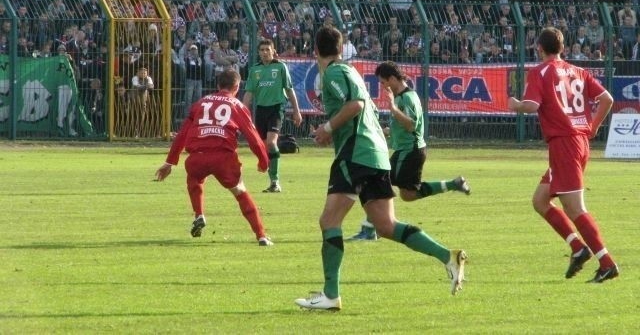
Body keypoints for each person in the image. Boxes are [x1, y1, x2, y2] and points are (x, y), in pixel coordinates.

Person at [294, 27, 467, 311]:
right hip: (375, 155)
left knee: (329, 221)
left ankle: (330, 295)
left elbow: (356, 105)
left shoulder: (334, 73)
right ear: (340, 48)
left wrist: (327, 128)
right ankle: (448, 256)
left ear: (315, 49)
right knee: (386, 226)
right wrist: (333, 132)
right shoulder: (350, 72)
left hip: (355, 155)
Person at [507, 27, 618, 283]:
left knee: (575, 208)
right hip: (576, 142)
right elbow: (607, 99)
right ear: (563, 48)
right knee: (540, 200)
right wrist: (591, 127)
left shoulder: (541, 72)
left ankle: (607, 263)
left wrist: (515, 104)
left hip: (565, 145)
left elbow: (532, 106)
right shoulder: (578, 71)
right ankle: (578, 248)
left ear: (539, 48)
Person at [348, 61, 471, 241]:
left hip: (409, 151)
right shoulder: (402, 97)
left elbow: (411, 125)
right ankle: (453, 184)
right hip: (409, 151)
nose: (383, 87)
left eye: (383, 82)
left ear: (392, 78)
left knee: (376, 181)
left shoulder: (405, 98)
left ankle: (369, 229)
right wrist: (380, 131)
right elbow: (399, 127)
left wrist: (393, 108)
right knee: (408, 194)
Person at [155, 69, 274, 246]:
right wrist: (264, 161)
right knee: (240, 192)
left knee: (194, 179)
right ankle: (262, 236)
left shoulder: (200, 103)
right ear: (237, 87)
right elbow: (253, 137)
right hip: (223, 158)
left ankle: (199, 214)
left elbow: (182, 134)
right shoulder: (237, 105)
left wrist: (169, 162)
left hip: (197, 157)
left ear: (218, 85)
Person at [242, 39, 302, 192]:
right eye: (262, 50)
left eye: (267, 49)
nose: (264, 52)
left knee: (270, 143)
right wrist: (241, 113)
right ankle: (272, 182)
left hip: (276, 108)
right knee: (263, 146)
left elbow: (289, 89)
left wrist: (296, 111)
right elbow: (249, 93)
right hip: (261, 110)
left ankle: (275, 181)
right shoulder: (255, 70)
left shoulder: (280, 67)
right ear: (258, 52)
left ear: (273, 51)